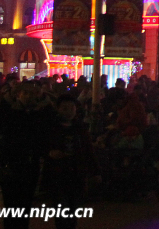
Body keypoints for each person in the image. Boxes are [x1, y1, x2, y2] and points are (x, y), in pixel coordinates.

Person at [0, 80, 56, 229]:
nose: (28, 96)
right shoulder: (10, 112)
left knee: (26, 204)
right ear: (18, 94)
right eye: (24, 93)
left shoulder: (38, 114)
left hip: (30, 164)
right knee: (11, 205)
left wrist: (45, 101)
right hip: (11, 164)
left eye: (31, 94)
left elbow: (51, 121)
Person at [44, 95, 95, 229]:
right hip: (57, 174)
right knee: (61, 209)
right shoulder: (51, 127)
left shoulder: (80, 128)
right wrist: (50, 153)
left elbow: (88, 150)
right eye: (65, 108)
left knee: (73, 209)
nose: (69, 111)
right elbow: (42, 146)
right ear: (58, 109)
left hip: (76, 173)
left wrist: (95, 171)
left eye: (71, 108)